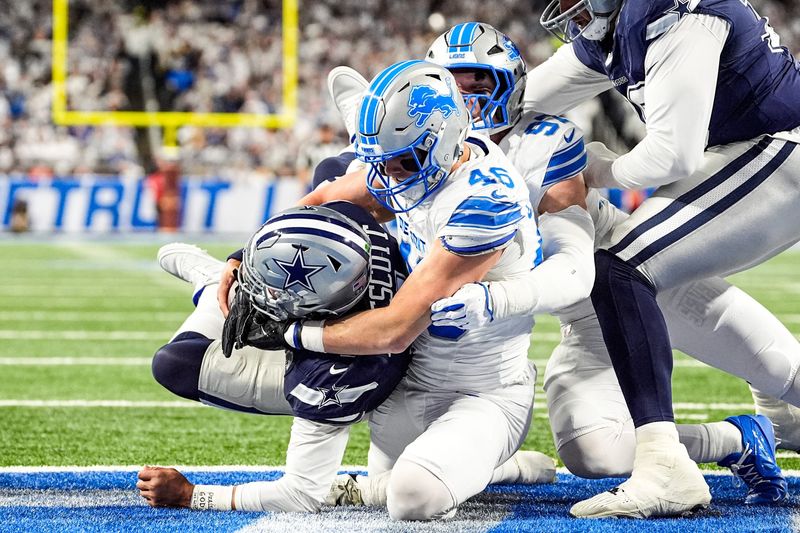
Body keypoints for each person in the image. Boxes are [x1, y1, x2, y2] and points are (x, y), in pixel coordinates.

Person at [424, 21, 792, 505]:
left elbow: (576, 268)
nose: (465, 98)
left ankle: (773, 410)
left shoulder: (543, 142)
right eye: (452, 84)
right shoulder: (411, 163)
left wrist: (497, 298)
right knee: (591, 452)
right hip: (586, 323)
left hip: (644, 282)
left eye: (479, 82)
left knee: (789, 376)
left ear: (509, 87)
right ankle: (739, 438)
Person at [516, 0, 800, 518]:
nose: (571, 11)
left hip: (777, 147)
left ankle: (664, 467)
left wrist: (596, 170)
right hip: (747, 149)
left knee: (622, 266)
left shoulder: (677, 13)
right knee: (645, 272)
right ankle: (788, 414)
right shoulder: (620, 27)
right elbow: (517, 99)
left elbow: (674, 155)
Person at [248, 60, 549, 521]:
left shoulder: (484, 200)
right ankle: (492, 467)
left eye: (403, 160)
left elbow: (395, 329)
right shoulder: (407, 161)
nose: (389, 175)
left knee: (411, 497)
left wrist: (291, 332)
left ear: (445, 141)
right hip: (407, 384)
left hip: (483, 393)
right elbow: (320, 202)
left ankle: (493, 460)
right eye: (380, 162)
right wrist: (245, 258)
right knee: (389, 486)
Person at [136, 201, 412, 512]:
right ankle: (223, 282)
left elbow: (300, 494)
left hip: (388, 390)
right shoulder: (356, 226)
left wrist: (191, 495)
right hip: (380, 344)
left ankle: (214, 287)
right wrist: (239, 258)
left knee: (175, 365)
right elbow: (322, 204)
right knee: (331, 169)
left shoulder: (338, 372)